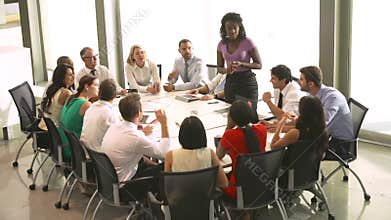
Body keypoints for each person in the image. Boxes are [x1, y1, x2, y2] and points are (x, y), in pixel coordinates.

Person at [101, 93, 170, 183]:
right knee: (167, 163)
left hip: (109, 180)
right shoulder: (136, 137)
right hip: (124, 184)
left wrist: (141, 132)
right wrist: (164, 123)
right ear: (138, 113)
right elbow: (163, 154)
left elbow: (128, 140)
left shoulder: (114, 126)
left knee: (145, 157)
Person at [216, 100, 267, 200]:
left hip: (238, 190)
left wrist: (228, 126)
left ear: (232, 118)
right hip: (261, 184)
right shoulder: (262, 129)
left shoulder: (230, 135)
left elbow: (218, 155)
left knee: (216, 180)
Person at [164, 116, 228, 188]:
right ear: (202, 135)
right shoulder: (210, 153)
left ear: (181, 136)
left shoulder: (170, 156)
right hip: (205, 198)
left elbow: (168, 187)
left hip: (180, 198)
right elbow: (224, 183)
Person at [217, 12, 262, 111]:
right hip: (231, 82)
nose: (232, 31)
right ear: (224, 28)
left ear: (239, 27)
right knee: (231, 114)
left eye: (235, 28)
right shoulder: (221, 44)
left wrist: (242, 64)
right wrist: (227, 70)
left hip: (247, 82)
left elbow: (259, 65)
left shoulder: (248, 42)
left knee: (250, 114)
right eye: (229, 28)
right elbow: (219, 68)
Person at [298, 66, 354, 141]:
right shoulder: (312, 95)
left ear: (311, 84)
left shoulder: (332, 97)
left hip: (338, 142)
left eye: (301, 79)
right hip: (326, 135)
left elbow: (321, 123)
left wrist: (296, 124)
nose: (299, 81)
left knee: (297, 140)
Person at [270, 96, 329, 160]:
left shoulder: (295, 133)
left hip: (290, 167)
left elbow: (273, 147)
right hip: (312, 167)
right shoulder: (322, 130)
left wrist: (280, 124)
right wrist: (297, 120)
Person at [59, 75, 99, 160]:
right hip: (74, 150)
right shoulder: (86, 104)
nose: (98, 88)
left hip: (64, 144)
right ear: (86, 87)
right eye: (95, 85)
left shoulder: (72, 98)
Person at [80, 79, 119, 151]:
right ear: (115, 95)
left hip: (86, 151)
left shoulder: (91, 108)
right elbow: (119, 138)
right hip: (99, 156)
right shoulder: (110, 113)